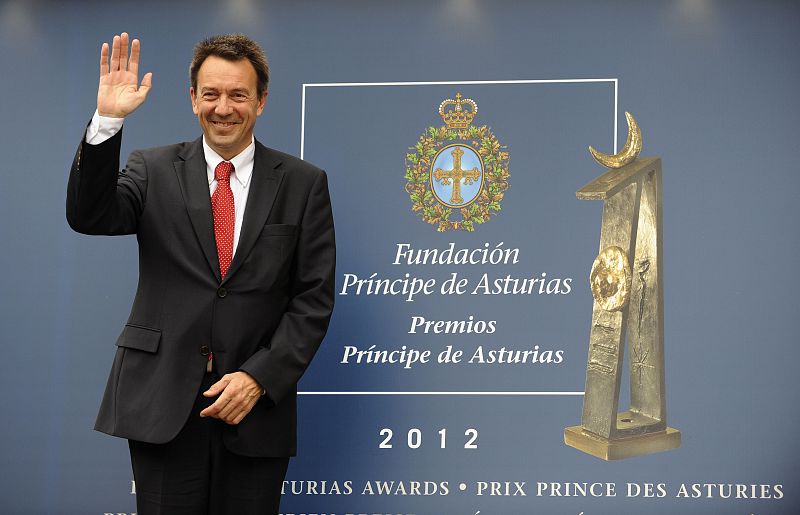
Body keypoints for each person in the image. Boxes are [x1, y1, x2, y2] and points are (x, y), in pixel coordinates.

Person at [66, 32, 335, 514]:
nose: (224, 107)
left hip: (254, 407)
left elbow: (313, 298)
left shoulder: (303, 183)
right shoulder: (151, 168)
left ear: (262, 101)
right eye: (211, 94)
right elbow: (90, 216)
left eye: (238, 94)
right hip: (162, 400)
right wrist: (108, 120)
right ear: (193, 99)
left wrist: (258, 378)